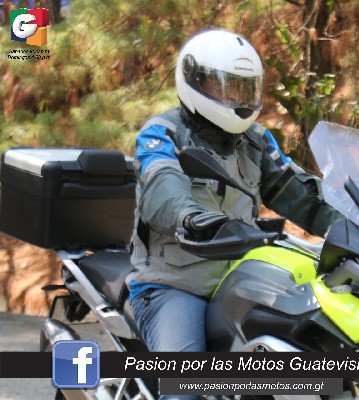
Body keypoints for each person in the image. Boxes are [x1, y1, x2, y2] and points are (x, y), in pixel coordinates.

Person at [125, 28, 342, 398]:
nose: (236, 99)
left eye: (244, 89)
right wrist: (190, 217)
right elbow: (162, 183)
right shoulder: (162, 134)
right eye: (222, 86)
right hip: (174, 287)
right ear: (193, 80)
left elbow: (300, 194)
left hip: (241, 280)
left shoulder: (255, 141)